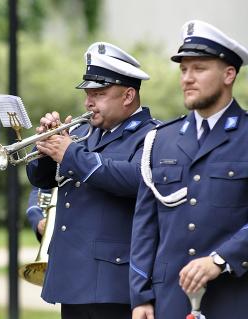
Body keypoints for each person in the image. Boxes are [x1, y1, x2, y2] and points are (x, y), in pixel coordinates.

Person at [26, 42, 158, 319]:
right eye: (87, 94)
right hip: (72, 277)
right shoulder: (84, 131)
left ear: (128, 95)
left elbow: (135, 179)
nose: (88, 102)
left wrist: (70, 153)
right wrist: (47, 150)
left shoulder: (152, 135)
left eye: (99, 94)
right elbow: (42, 179)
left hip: (113, 280)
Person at [130, 20, 248, 319]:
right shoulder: (160, 140)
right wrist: (140, 297)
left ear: (229, 74)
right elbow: (146, 225)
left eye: (199, 68)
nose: (187, 78)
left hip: (235, 297)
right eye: (183, 70)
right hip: (169, 300)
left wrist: (222, 259)